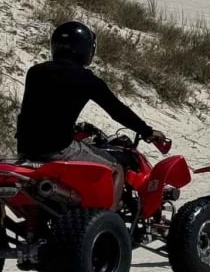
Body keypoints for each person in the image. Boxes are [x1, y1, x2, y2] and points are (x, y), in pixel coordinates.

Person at [15, 21, 166, 203]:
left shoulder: (35, 72)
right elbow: (117, 111)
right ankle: (109, 225)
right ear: (86, 49)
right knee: (116, 169)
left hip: (25, 149)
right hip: (58, 149)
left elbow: (44, 109)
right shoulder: (87, 79)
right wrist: (147, 131)